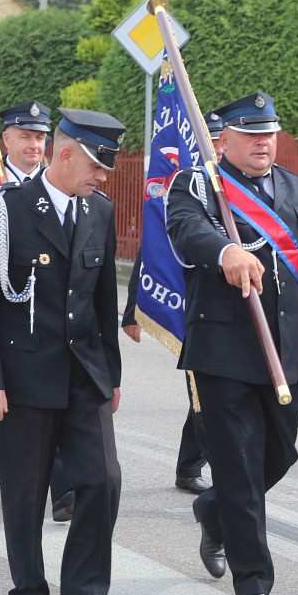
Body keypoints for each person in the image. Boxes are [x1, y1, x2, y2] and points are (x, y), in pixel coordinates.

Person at [166, 92, 298, 595]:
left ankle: (214, 511)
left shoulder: (297, 188)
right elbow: (185, 229)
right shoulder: (199, 184)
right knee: (240, 465)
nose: (263, 143)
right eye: (251, 134)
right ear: (223, 139)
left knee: (279, 453)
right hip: (223, 352)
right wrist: (226, 250)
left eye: (269, 133)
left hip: (286, 350)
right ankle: (253, 582)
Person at [0, 108, 127, 595]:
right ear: (66, 154)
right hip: (24, 374)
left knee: (103, 480)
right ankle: (28, 594)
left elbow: (103, 301)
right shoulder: (3, 210)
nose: (103, 177)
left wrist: (113, 375)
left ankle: (83, 593)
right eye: (97, 166)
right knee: (26, 491)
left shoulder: (98, 212)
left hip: (85, 373)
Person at [0, 101, 72, 516]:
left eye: (40, 137)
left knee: (46, 397)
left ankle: (61, 486)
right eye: (25, 136)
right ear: (6, 139)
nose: (34, 145)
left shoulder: (55, 182)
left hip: (42, 311)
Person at [119, 109, 225, 496]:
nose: (211, 148)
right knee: (204, 390)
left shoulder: (241, 188)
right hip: (191, 304)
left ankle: (192, 462)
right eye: (206, 141)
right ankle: (195, 465)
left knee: (214, 393)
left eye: (216, 141)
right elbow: (155, 250)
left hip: (230, 304)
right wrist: (135, 309)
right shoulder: (185, 187)